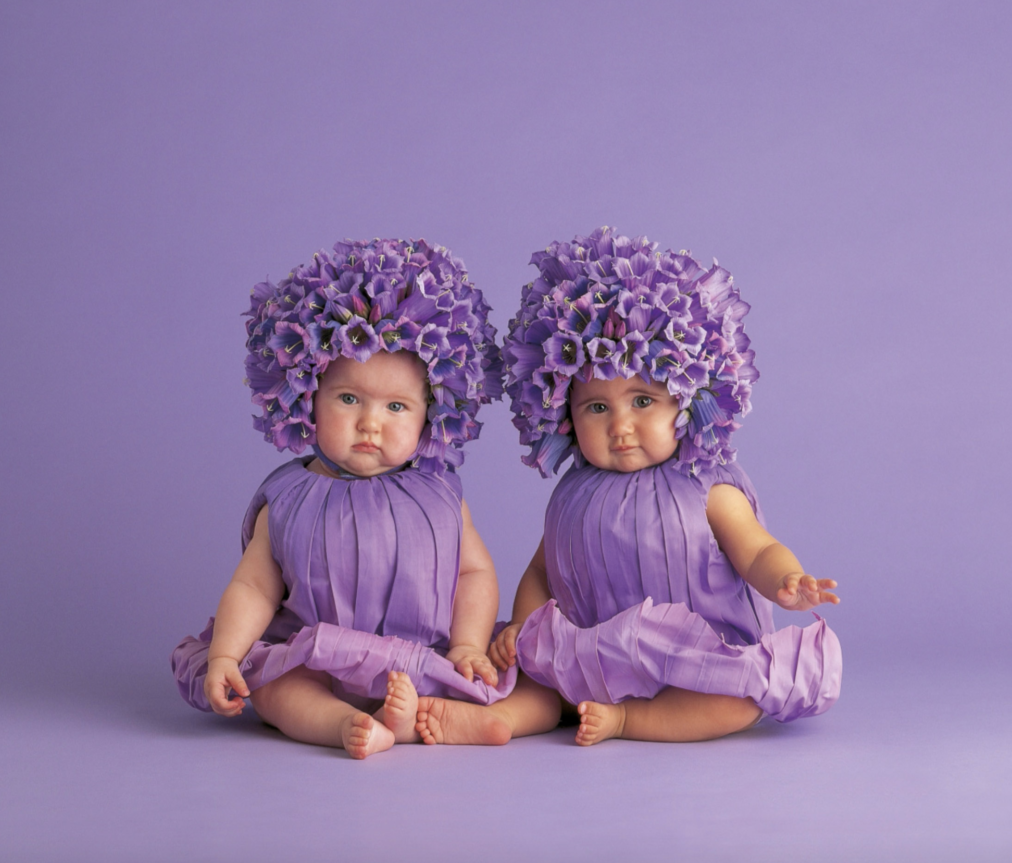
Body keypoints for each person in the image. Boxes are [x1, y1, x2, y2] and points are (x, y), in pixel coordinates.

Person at [414, 227, 841, 746]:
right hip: (589, 660)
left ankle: (628, 722)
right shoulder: (574, 496)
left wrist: (787, 580)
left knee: (742, 698)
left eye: (642, 401)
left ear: (686, 398)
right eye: (597, 407)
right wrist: (522, 633)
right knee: (536, 684)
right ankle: (498, 721)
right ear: (562, 414)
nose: (620, 426)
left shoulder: (708, 487)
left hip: (694, 662)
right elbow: (542, 572)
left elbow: (757, 551)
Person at [171, 238, 518, 758]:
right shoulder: (288, 498)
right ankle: (344, 723)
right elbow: (253, 587)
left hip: (421, 659)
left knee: (507, 667)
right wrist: (225, 653)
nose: (370, 423)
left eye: (396, 406)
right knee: (270, 688)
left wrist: (467, 644)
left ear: (433, 415)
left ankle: (428, 715)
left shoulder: (440, 492)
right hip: (315, 661)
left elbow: (474, 574)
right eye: (349, 398)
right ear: (306, 394)